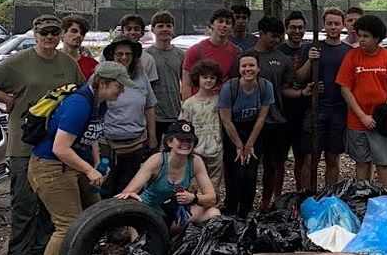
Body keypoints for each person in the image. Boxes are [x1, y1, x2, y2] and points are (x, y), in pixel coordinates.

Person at [0, 14, 85, 255]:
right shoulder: (19, 62)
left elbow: (81, 92)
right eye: (44, 33)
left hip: (57, 144)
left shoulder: (68, 63)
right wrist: (7, 100)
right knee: (24, 200)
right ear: (34, 35)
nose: (49, 38)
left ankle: (44, 252)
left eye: (54, 33)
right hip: (24, 143)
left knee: (51, 203)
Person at [26, 60, 130, 255]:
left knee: (94, 211)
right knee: (68, 224)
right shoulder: (78, 104)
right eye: (118, 86)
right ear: (102, 82)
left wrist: (95, 164)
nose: (122, 91)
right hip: (52, 167)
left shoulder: (99, 103)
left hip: (76, 166)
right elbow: (60, 148)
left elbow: (91, 135)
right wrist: (88, 170)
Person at [116, 120, 220, 233]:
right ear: (170, 142)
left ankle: (184, 244)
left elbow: (212, 198)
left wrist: (193, 198)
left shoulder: (195, 161)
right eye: (181, 139)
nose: (186, 143)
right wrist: (129, 195)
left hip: (175, 215)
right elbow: (130, 191)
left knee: (213, 213)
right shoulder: (157, 160)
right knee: (140, 235)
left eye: (189, 140)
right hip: (150, 216)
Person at [336, 14, 387, 190]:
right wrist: (362, 116)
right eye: (360, 35)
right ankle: (363, 197)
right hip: (357, 122)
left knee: (383, 163)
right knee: (362, 163)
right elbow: (345, 88)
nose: (362, 40)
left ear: (377, 38)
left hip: (380, 121)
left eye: (366, 36)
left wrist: (386, 109)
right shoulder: (352, 56)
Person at [295, 7, 352, 188]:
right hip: (315, 109)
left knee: (332, 157)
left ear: (342, 25)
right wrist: (310, 62)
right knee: (310, 157)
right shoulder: (312, 48)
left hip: (339, 110)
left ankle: (329, 196)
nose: (333, 27)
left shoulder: (348, 52)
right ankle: (307, 195)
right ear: (323, 25)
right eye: (329, 23)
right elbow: (299, 77)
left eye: (336, 24)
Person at [250, 16, 301, 210]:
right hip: (249, 121)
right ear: (261, 33)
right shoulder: (246, 57)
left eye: (279, 37)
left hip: (277, 121)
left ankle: (271, 202)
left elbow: (285, 89)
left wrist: (301, 93)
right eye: (272, 36)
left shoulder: (283, 60)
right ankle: (244, 202)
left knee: (274, 164)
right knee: (250, 166)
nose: (276, 40)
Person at [99, 36, 158, 199]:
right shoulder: (101, 78)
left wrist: (152, 136)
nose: (124, 57)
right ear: (112, 55)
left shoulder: (141, 76)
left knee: (129, 188)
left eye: (128, 54)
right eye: (119, 54)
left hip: (136, 142)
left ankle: (123, 222)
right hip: (107, 143)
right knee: (105, 185)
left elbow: (149, 105)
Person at [218, 52, 273, 216]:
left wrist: (249, 145)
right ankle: (231, 208)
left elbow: (262, 117)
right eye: (244, 66)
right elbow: (226, 119)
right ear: (239, 68)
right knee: (234, 172)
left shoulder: (265, 87)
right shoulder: (229, 87)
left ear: (258, 68)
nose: (248, 69)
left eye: (251, 66)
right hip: (233, 131)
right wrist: (238, 145)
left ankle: (246, 210)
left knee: (250, 173)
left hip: (254, 132)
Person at [181, 59, 225, 198]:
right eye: (205, 77)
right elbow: (182, 128)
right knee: (192, 184)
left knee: (213, 185)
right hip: (195, 151)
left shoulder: (220, 100)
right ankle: (192, 214)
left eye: (212, 77)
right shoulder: (189, 103)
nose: (208, 80)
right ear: (197, 78)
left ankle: (211, 214)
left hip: (215, 150)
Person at [279, 11, 311, 189]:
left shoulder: (309, 50)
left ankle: (301, 193)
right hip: (282, 112)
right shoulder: (280, 51)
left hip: (304, 111)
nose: (297, 31)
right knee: (278, 159)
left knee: (302, 156)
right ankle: (277, 196)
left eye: (300, 27)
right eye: (293, 27)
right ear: (286, 29)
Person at [181, 7, 239, 98]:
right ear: (212, 24)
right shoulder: (195, 50)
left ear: (231, 28)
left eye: (228, 23)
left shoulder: (236, 52)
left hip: (224, 104)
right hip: (199, 104)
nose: (224, 25)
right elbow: (186, 84)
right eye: (220, 21)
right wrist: (189, 107)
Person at [146, 10, 185, 145]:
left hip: (175, 113)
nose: (165, 29)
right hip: (153, 116)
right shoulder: (146, 55)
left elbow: (185, 83)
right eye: (160, 26)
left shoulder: (180, 55)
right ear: (153, 29)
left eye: (168, 26)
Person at [118, 14, 159, 85]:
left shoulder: (148, 59)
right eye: (129, 29)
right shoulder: (109, 54)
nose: (132, 32)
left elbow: (150, 87)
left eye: (136, 29)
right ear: (122, 32)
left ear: (142, 33)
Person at [60, 14, 98, 78]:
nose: (78, 35)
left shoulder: (92, 65)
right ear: (63, 33)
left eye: (82, 33)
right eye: (74, 31)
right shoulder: (50, 61)